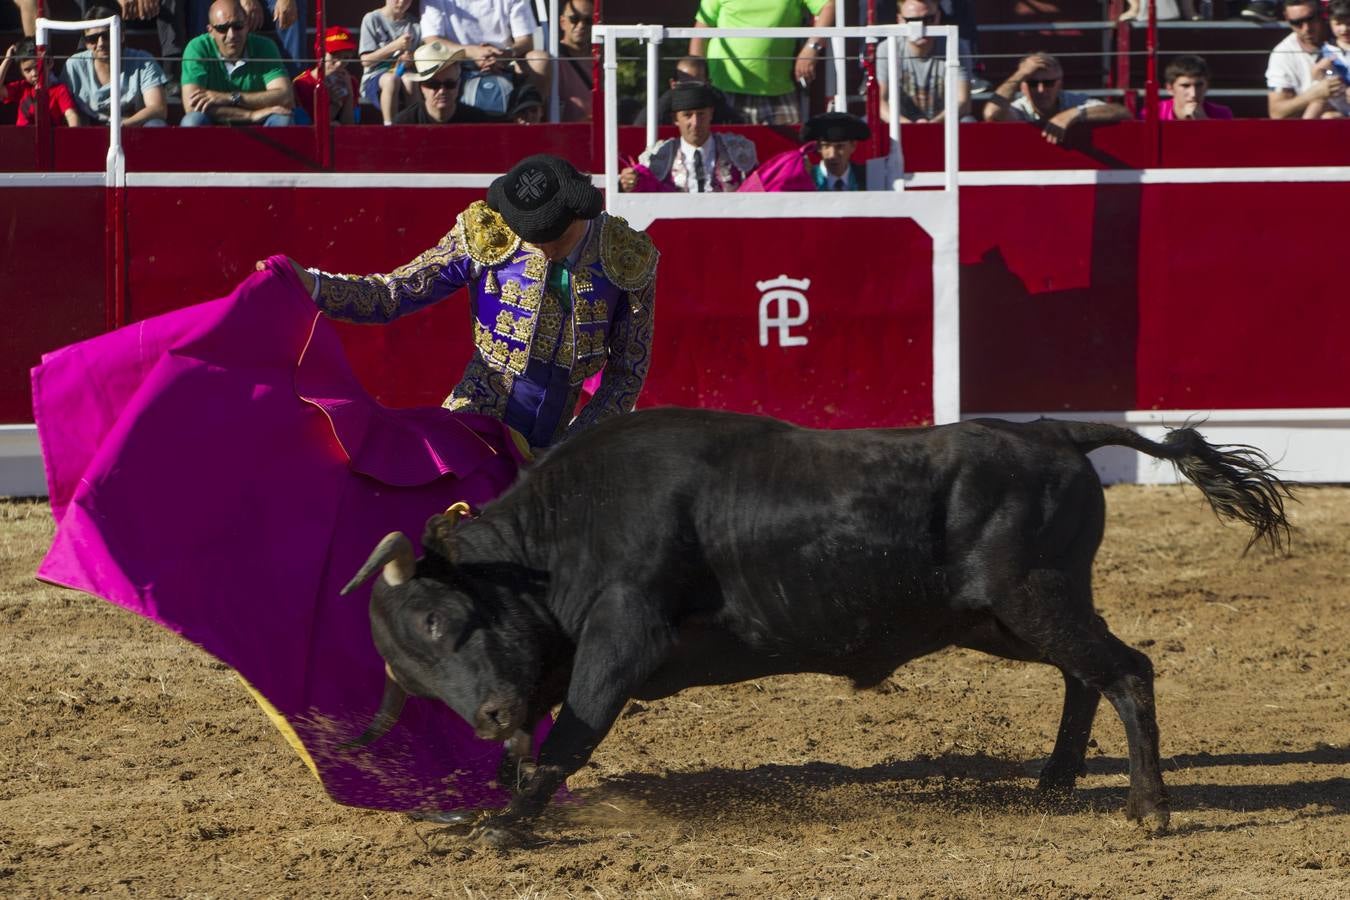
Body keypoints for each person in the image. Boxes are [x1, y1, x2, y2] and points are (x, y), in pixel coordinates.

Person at [270, 154, 660, 451]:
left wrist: (578, 447)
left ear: (574, 220)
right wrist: (312, 284)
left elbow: (627, 371)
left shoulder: (626, 257)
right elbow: (392, 294)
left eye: (543, 236)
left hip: (563, 440)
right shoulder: (490, 234)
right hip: (475, 425)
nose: (534, 245)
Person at [689, 0, 835, 126]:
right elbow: (700, 34)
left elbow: (829, 6)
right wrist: (696, 86)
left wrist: (812, 48)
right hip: (724, 91)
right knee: (725, 156)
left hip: (779, 91)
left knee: (787, 155)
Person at [619, 81, 758, 193]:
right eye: (687, 115)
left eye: (701, 114)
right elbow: (642, 181)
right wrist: (632, 180)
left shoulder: (737, 148)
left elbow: (756, 186)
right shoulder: (662, 153)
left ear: (711, 113)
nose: (695, 122)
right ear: (676, 119)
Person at [180, 0, 293, 125]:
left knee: (283, 120)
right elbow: (192, 106)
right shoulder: (197, 48)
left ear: (247, 26)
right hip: (223, 119)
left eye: (238, 26)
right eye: (222, 28)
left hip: (261, 119)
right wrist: (250, 115)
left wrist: (230, 97)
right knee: (192, 120)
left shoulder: (265, 46)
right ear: (210, 30)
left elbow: (285, 96)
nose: (231, 35)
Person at [983, 52, 1130, 144]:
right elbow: (992, 112)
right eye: (1033, 83)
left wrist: (1073, 114)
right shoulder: (1019, 107)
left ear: (1059, 84)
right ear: (1022, 86)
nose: (1041, 90)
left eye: (1049, 83)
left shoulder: (1074, 102)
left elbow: (1122, 112)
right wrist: (1021, 74)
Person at [419, 0, 550, 104]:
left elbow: (526, 41)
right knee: (432, 63)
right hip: (453, 65)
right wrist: (474, 52)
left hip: (503, 64)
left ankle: (529, 123)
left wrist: (504, 55)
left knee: (539, 59)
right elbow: (432, 40)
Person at [61, 7, 169, 126]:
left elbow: (158, 108)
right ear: (86, 43)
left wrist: (121, 127)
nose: (101, 43)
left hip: (133, 130)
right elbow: (63, 109)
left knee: (156, 124)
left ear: (121, 36)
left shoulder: (143, 61)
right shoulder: (74, 65)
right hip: (89, 134)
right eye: (93, 39)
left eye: (107, 35)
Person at [877, 0, 970, 123]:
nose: (920, 28)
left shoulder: (955, 46)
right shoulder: (887, 48)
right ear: (900, 20)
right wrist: (907, 126)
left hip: (944, 124)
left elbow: (963, 102)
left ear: (938, 18)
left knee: (968, 121)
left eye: (928, 20)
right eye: (912, 22)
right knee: (866, 123)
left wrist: (931, 126)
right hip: (901, 125)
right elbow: (879, 102)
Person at [1266, 0, 1345, 118]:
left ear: (1321, 13)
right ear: (1287, 18)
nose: (1306, 28)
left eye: (1311, 19)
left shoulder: (1343, 36)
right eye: (1297, 22)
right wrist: (1313, 94)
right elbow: (1276, 112)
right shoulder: (1283, 53)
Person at [393, 40, 504, 124]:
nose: (442, 91)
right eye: (434, 85)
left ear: (459, 84)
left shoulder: (477, 121)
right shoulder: (404, 123)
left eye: (450, 84)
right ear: (422, 87)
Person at [631, 55, 744, 126]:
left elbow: (738, 127)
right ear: (673, 84)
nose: (691, 92)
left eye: (696, 84)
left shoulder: (718, 101)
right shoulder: (662, 107)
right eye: (685, 84)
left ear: (708, 83)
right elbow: (640, 127)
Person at [358, 0, 419, 125]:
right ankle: (390, 127)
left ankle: (415, 126)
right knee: (391, 80)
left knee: (411, 81)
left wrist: (411, 59)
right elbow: (366, 61)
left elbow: (420, 58)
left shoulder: (415, 24)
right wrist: (395, 46)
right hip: (375, 76)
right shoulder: (372, 19)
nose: (401, 2)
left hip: (404, 72)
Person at [1, 39, 80, 127]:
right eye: (27, 70)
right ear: (22, 73)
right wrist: (7, 60)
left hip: (48, 139)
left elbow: (71, 115)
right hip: (22, 139)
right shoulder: (22, 88)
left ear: (49, 63)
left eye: (37, 66)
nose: (34, 73)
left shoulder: (59, 90)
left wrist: (73, 137)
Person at [292, 25, 358, 125]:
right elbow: (310, 126)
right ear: (320, 54)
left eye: (346, 57)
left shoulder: (351, 82)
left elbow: (349, 127)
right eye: (334, 56)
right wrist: (334, 104)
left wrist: (349, 95)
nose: (339, 63)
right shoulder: (303, 83)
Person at [802, 111, 869, 190]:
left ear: (853, 146)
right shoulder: (807, 179)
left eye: (840, 146)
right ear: (818, 147)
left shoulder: (868, 177)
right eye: (826, 146)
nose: (832, 155)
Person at [1152, 54, 1232, 120]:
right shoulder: (1151, 114)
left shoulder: (1222, 114)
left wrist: (1205, 122)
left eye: (1199, 85)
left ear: (1207, 86)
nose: (1193, 94)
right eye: (1185, 86)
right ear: (1170, 89)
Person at [556, 0, 592, 122]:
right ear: (562, 22)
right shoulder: (552, 60)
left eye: (588, 21)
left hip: (600, 135)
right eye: (574, 19)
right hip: (563, 137)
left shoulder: (603, 63)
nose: (581, 25)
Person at [1315, 0, 1350, 118]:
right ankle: (1301, 132)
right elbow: (1316, 76)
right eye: (1338, 24)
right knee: (1324, 113)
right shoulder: (1327, 48)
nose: (1344, 29)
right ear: (1330, 23)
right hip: (1337, 101)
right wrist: (1319, 70)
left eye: (1349, 23)